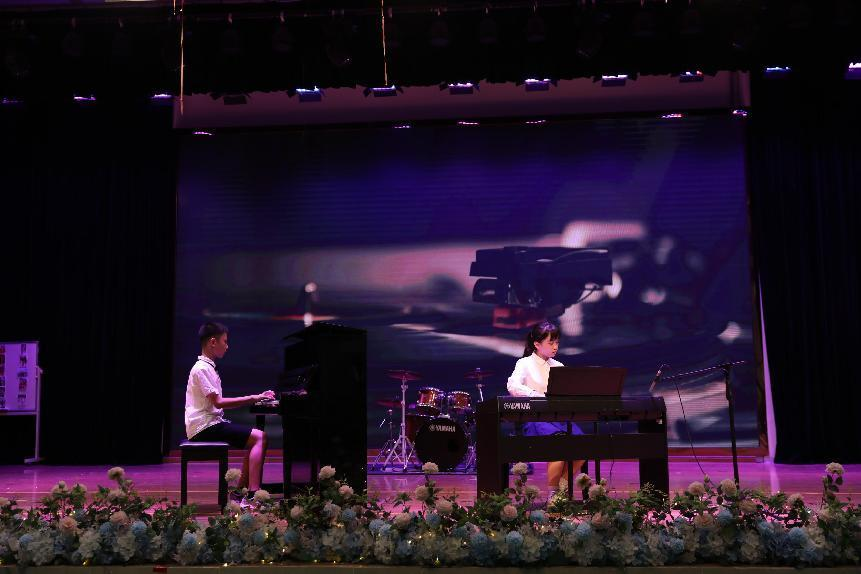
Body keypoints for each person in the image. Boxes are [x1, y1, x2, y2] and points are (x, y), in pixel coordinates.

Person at [185, 322, 275, 496]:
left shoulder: (207, 367)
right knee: (260, 437)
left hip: (209, 424)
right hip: (204, 427)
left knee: (254, 438)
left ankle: (240, 491)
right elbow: (218, 402)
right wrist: (254, 398)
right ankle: (254, 493)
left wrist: (256, 397)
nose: (227, 346)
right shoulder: (201, 368)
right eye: (225, 341)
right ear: (213, 342)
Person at [507, 320, 585, 495]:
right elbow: (512, 386)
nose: (555, 347)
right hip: (536, 419)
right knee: (558, 446)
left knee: (583, 447)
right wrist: (537, 395)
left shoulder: (558, 366)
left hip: (559, 418)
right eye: (551, 343)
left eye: (557, 342)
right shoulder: (524, 363)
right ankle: (553, 493)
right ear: (537, 344)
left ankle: (561, 490)